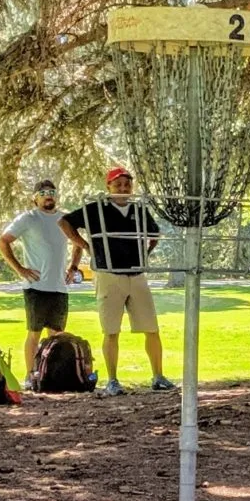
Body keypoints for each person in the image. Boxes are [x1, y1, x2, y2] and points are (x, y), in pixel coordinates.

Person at [59, 166, 175, 396]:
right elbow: (65, 222)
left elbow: (154, 234)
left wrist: (144, 254)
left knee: (151, 328)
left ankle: (158, 376)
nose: (123, 188)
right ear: (109, 187)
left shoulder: (139, 209)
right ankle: (112, 380)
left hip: (136, 274)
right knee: (111, 330)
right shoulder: (96, 209)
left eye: (127, 185)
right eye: (118, 184)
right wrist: (85, 245)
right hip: (108, 274)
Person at [0, 178, 82, 390]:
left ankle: (52, 376)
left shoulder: (65, 218)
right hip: (36, 286)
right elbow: (3, 241)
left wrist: (73, 267)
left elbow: (78, 242)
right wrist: (20, 269)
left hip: (59, 286)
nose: (48, 196)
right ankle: (29, 375)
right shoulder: (28, 218)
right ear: (35, 198)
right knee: (34, 333)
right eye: (43, 193)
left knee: (57, 336)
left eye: (52, 192)